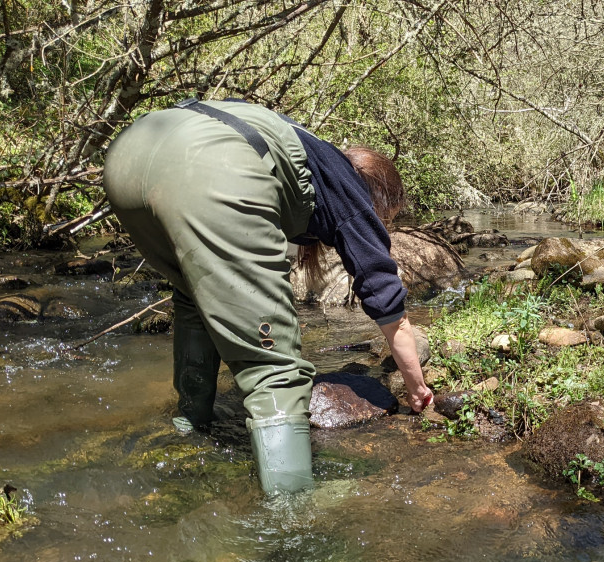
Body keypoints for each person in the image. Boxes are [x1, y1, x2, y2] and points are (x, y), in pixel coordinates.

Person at [103, 99, 433, 495]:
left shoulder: (312, 157)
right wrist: (417, 387)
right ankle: (291, 509)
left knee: (194, 299)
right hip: (212, 166)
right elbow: (385, 299)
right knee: (275, 366)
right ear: (378, 196)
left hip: (129, 157)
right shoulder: (349, 189)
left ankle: (189, 430)